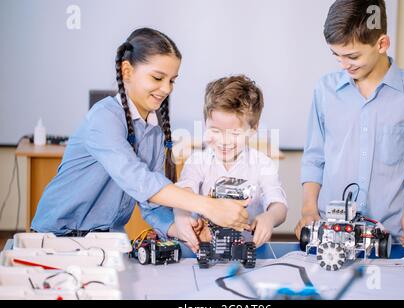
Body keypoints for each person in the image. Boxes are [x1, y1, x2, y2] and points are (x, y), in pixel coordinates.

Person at [31, 28, 249, 237]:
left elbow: (151, 204)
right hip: (57, 238)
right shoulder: (103, 118)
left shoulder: (154, 132)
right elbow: (138, 180)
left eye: (172, 80)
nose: (167, 89)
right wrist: (209, 206)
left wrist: (182, 230)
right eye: (157, 78)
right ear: (127, 71)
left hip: (107, 243)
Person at [295, 0, 404, 250]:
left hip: (392, 235)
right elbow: (314, 157)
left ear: (382, 44)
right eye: (336, 56)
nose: (344, 65)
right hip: (332, 233)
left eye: (352, 56)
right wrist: (308, 209)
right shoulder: (325, 90)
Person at [173, 75, 288, 251]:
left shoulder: (263, 164)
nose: (224, 141)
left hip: (246, 249)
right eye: (215, 131)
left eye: (235, 133)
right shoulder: (197, 161)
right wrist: (181, 217)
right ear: (205, 124)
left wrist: (270, 218)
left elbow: (278, 204)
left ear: (253, 129)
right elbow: (184, 192)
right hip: (204, 247)